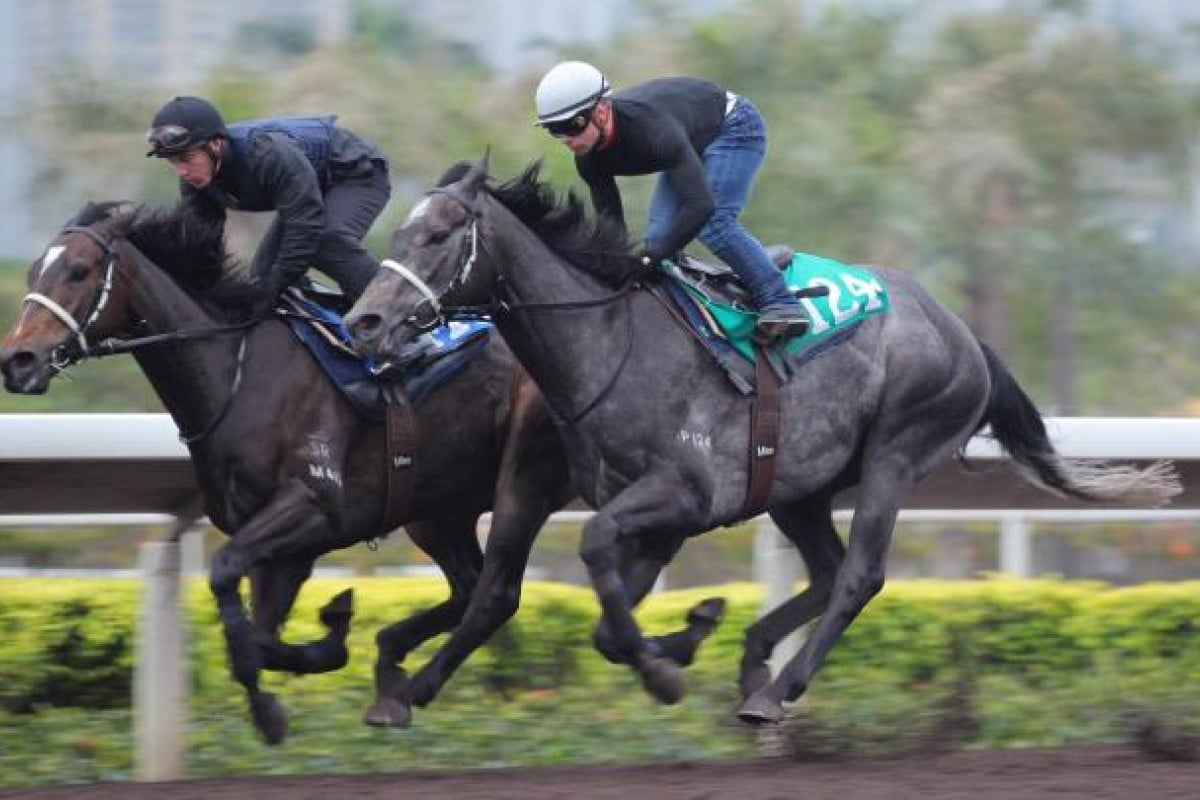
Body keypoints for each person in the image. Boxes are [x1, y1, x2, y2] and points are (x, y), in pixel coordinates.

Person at [534, 61, 808, 340]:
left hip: (734, 126)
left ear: (601, 112)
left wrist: (646, 260)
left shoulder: (652, 129)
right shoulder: (588, 160)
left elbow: (701, 206)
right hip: (689, 141)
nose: (567, 139)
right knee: (658, 242)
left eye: (572, 126)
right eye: (555, 130)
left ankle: (781, 301)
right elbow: (612, 229)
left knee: (712, 224)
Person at [145, 95, 390, 314]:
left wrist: (275, 285)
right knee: (261, 275)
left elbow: (305, 224)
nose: (182, 171)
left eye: (187, 159)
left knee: (324, 241)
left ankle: (404, 319)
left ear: (216, 144)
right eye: (173, 162)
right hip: (308, 190)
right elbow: (202, 244)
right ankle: (333, 332)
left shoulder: (267, 153)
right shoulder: (195, 180)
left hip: (356, 173)